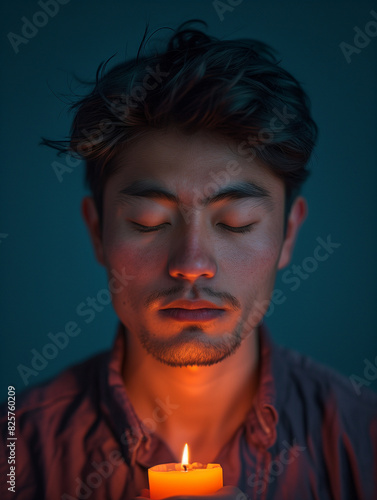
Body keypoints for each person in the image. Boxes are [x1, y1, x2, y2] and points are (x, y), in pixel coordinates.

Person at [1, 20, 376, 500]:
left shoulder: (364, 442)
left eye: (237, 222)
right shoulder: (14, 452)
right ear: (97, 230)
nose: (192, 263)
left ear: (289, 234)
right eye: (148, 221)